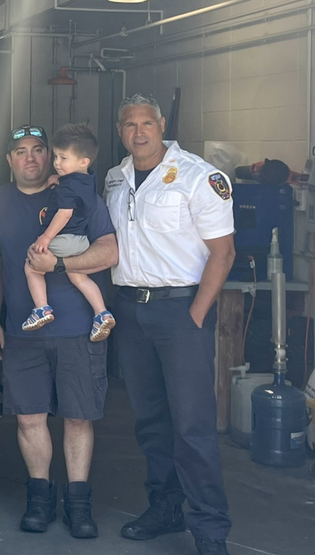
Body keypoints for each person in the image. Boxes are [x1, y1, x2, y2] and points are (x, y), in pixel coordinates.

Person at [103, 94, 236, 555]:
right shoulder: (115, 178)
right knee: (152, 422)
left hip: (181, 311)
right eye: (129, 124)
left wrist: (196, 314)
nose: (138, 132)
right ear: (119, 129)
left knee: (192, 424)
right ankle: (165, 507)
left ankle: (210, 530)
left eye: (146, 123)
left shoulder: (200, 177)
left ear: (162, 124)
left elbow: (224, 253)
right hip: (133, 311)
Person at [0, 125, 118, 540]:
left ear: (52, 156)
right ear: (9, 160)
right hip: (23, 331)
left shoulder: (78, 195)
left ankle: (79, 504)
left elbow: (110, 252)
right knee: (29, 419)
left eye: (39, 150)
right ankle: (39, 498)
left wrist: (59, 266)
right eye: (20, 151)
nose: (30, 158)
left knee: (78, 418)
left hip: (79, 328)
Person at [23, 124, 116, 342]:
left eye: (63, 158)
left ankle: (41, 308)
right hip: (81, 241)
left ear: (83, 161)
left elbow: (64, 214)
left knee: (32, 266)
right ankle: (101, 312)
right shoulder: (88, 179)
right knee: (80, 277)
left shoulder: (66, 187)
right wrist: (59, 178)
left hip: (64, 238)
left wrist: (46, 237)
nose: (56, 163)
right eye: (56, 157)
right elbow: (75, 187)